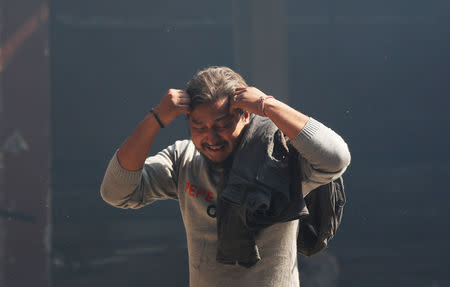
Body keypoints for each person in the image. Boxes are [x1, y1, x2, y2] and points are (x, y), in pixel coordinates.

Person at [100, 66, 351, 287]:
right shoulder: (184, 160)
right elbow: (116, 193)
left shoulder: (282, 158)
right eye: (199, 126)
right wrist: (154, 119)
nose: (211, 137)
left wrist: (267, 104)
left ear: (245, 115)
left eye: (222, 125)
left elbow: (336, 158)